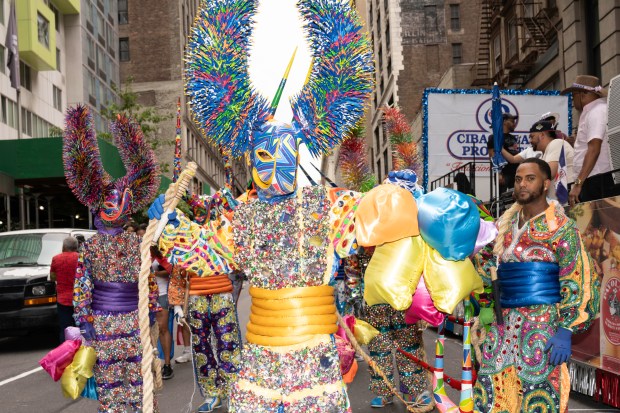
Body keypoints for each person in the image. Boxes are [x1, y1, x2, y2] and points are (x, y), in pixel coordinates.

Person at [150, 1, 373, 411]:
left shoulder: (328, 207)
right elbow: (205, 250)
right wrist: (168, 225)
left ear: (300, 154)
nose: (274, 169)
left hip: (314, 364)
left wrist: (406, 203)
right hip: (261, 363)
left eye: (284, 155)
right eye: (264, 158)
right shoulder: (243, 214)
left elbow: (373, 219)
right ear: (251, 159)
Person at [473, 158, 599, 413]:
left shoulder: (562, 229)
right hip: (501, 326)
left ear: (545, 184)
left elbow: (579, 279)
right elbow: (488, 271)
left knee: (538, 395)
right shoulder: (502, 227)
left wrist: (565, 329)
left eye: (530, 178)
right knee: (489, 394)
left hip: (541, 328)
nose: (522, 184)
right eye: (518, 179)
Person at [64, 105, 161, 412]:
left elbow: (83, 294)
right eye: (110, 200)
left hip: (121, 326)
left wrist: (86, 324)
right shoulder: (120, 245)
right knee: (123, 385)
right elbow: (85, 290)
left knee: (130, 384)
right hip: (121, 325)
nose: (115, 205)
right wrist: (150, 312)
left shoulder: (128, 244)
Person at [562, 75, 616, 205]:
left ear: (583, 94)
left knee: (599, 223)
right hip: (593, 179)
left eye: (573, 95)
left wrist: (578, 184)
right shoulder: (594, 111)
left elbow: (594, 148)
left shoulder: (596, 112)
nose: (572, 100)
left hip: (597, 181)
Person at [364, 304, 431, 408]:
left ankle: (410, 392)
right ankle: (384, 392)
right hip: (377, 300)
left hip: (403, 297)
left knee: (409, 345)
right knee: (379, 349)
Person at [502, 120, 574, 202]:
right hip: (559, 201)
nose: (530, 141)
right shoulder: (546, 153)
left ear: (542, 135)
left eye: (532, 137)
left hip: (568, 198)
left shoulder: (556, 143)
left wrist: (524, 188)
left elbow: (549, 174)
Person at [50, 236, 79, 342]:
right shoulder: (81, 258)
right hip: (80, 298)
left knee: (65, 329)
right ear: (76, 246)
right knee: (81, 328)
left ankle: (65, 353)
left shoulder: (56, 258)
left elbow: (53, 277)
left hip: (62, 299)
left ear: (64, 246)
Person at [150, 249, 174, 380]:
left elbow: (171, 271)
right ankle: (153, 363)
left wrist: (155, 273)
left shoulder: (161, 255)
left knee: (163, 329)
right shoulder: (137, 253)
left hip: (162, 294)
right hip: (145, 296)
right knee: (148, 331)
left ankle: (167, 364)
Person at [487, 112, 520, 192]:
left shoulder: (513, 138)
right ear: (504, 121)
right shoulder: (494, 137)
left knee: (515, 198)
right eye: (512, 121)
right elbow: (492, 156)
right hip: (504, 174)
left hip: (516, 173)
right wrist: (498, 173)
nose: (514, 123)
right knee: (502, 199)